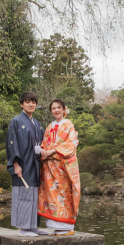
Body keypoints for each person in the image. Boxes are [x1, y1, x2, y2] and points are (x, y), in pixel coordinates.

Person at [37, 99, 81, 236]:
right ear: (51, 111)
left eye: (58, 108)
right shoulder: (50, 126)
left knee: (64, 192)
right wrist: (43, 150)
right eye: (53, 108)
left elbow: (71, 143)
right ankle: (57, 226)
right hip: (50, 166)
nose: (56, 110)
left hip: (62, 165)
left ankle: (67, 227)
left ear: (63, 109)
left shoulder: (68, 124)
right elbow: (45, 142)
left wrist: (52, 151)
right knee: (52, 193)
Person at [6, 92, 48, 237]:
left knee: (35, 195)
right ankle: (24, 228)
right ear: (21, 104)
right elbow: (12, 143)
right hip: (23, 163)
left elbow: (44, 141)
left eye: (33, 102)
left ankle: (33, 226)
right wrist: (15, 164)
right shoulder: (16, 121)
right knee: (24, 194)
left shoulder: (37, 123)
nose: (31, 105)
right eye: (28, 102)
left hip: (35, 163)